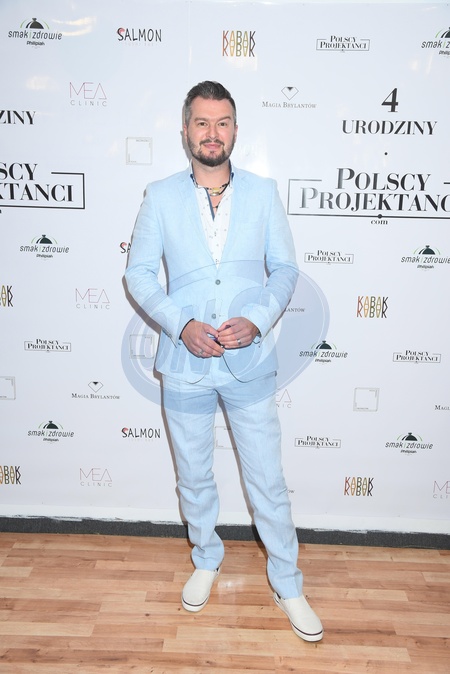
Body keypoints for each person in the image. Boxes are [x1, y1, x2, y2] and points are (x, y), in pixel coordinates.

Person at [125, 81, 323, 642]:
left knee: (267, 479)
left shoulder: (263, 193)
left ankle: (287, 582)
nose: (212, 133)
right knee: (193, 474)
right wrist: (180, 324)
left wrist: (257, 319)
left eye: (223, 122)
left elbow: (285, 269)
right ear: (185, 130)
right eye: (202, 122)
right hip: (184, 363)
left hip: (249, 361)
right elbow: (138, 273)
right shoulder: (160, 195)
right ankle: (206, 558)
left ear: (235, 129)